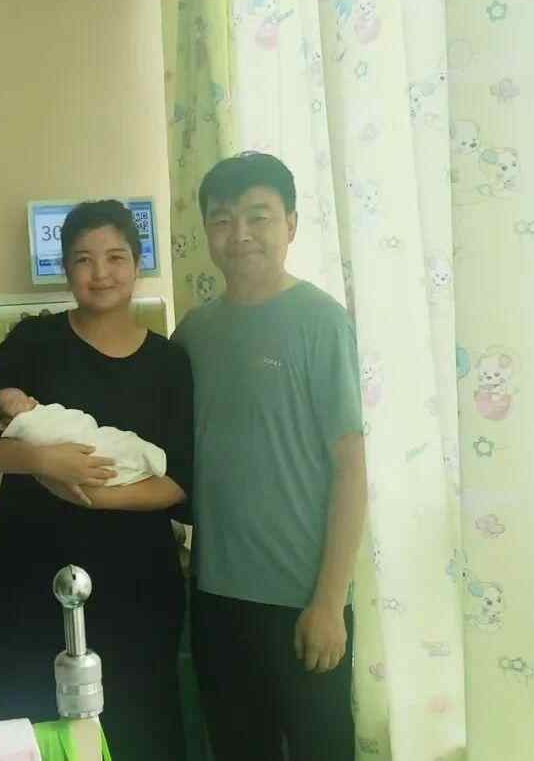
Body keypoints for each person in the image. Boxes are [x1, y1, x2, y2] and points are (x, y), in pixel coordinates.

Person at [0, 199, 192, 760]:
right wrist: (44, 462)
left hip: (134, 584)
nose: (101, 273)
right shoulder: (31, 343)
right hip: (30, 578)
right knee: (34, 733)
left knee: (139, 731)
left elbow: (178, 483)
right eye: (83, 259)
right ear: (65, 269)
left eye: (116, 257)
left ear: (137, 263)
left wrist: (94, 495)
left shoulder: (169, 364)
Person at [172, 152, 367, 761]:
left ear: (292, 224)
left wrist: (329, 602)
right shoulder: (194, 334)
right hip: (216, 598)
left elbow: (351, 467)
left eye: (258, 216)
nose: (240, 234)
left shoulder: (321, 322)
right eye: (222, 219)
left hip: (302, 601)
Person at [0, 386, 167, 489]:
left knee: (119, 440)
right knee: (118, 449)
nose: (31, 399)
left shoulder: (166, 356)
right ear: (3, 424)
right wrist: (44, 461)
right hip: (43, 516)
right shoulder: (24, 424)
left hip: (93, 438)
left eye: (27, 396)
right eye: (18, 401)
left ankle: (141, 457)